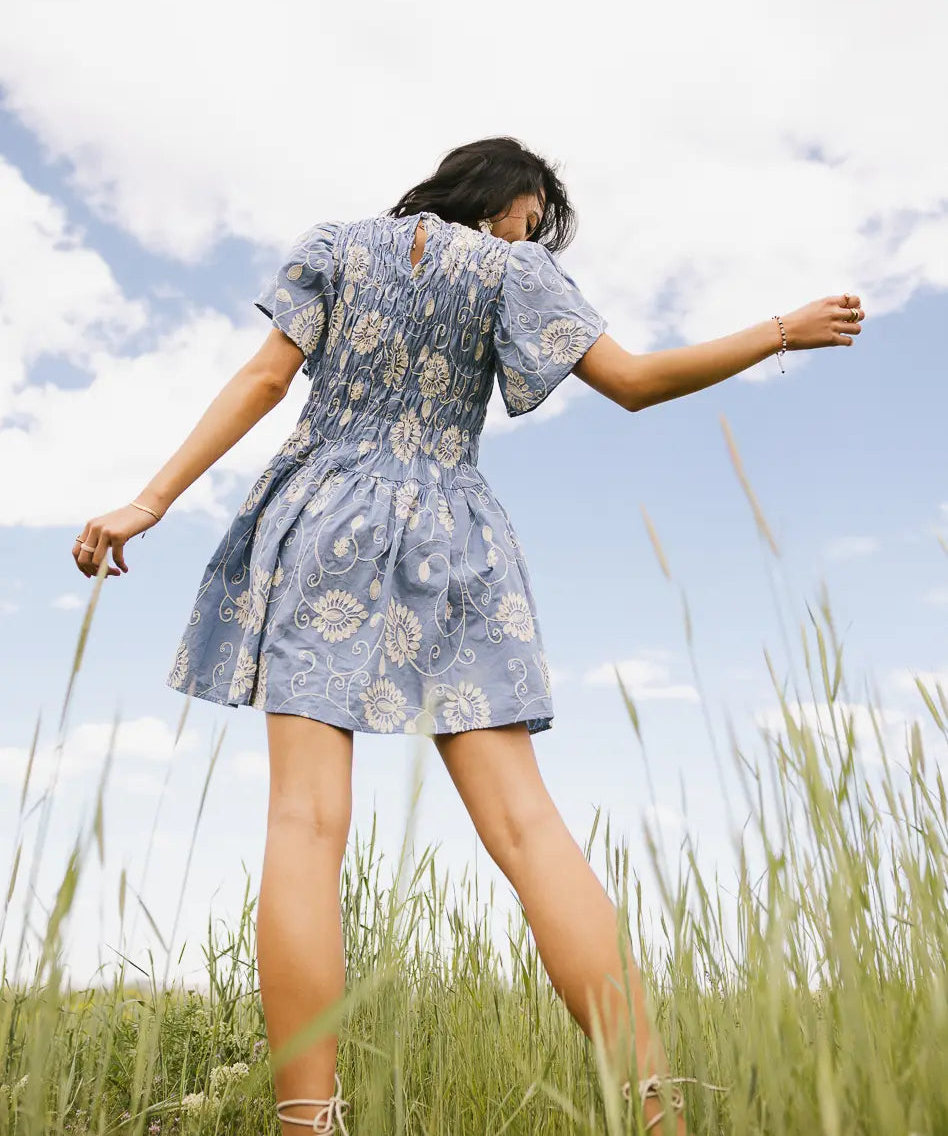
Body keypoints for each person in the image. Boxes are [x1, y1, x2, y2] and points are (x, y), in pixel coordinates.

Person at [72, 136, 865, 1134]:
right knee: (530, 829)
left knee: (303, 826)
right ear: (512, 198)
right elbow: (635, 380)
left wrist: (147, 500)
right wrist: (781, 328)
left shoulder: (338, 246)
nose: (534, 233)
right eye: (535, 217)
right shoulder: (515, 268)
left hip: (319, 518)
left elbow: (266, 381)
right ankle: (658, 1109)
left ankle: (307, 1121)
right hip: (453, 534)